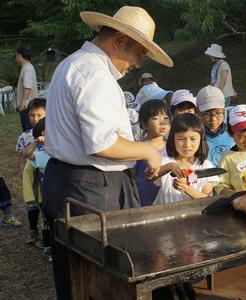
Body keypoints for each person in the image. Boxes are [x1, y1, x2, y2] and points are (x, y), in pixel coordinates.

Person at [41, 6, 173, 299]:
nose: (138, 64)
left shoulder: (73, 64)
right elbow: (102, 144)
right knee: (104, 281)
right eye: (139, 53)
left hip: (70, 181)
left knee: (76, 277)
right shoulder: (94, 74)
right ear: (119, 40)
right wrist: (148, 151)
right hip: (92, 189)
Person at [152, 113, 218, 204]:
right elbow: (150, 176)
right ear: (172, 139)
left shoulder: (206, 166)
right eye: (181, 139)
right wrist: (169, 167)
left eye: (193, 139)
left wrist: (187, 188)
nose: (187, 145)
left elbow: (207, 198)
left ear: (201, 139)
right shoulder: (164, 161)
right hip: (168, 215)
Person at [22, 118, 52, 262]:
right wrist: (36, 142)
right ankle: (48, 248)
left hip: (64, 193)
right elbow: (27, 154)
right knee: (48, 221)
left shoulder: (63, 150)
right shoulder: (43, 154)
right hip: (47, 193)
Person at [135, 100, 171, 206]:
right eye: (155, 118)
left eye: (166, 118)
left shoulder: (173, 147)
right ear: (144, 124)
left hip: (168, 199)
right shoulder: (138, 148)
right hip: (144, 201)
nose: (162, 122)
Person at [196, 85, 235, 167]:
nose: (213, 119)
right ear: (198, 112)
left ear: (224, 110)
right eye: (207, 114)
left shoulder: (235, 133)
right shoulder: (195, 138)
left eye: (218, 113)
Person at [16, 98, 46, 173]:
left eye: (39, 115)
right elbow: (22, 157)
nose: (35, 119)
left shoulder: (53, 135)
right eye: (32, 115)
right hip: (31, 174)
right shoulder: (24, 137)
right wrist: (23, 172)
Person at [16, 47, 38, 132]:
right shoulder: (27, 67)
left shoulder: (27, 69)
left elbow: (28, 87)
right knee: (28, 129)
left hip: (27, 106)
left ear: (20, 55)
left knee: (28, 131)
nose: (16, 57)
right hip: (29, 105)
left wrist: (23, 102)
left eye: (16, 55)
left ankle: (31, 145)